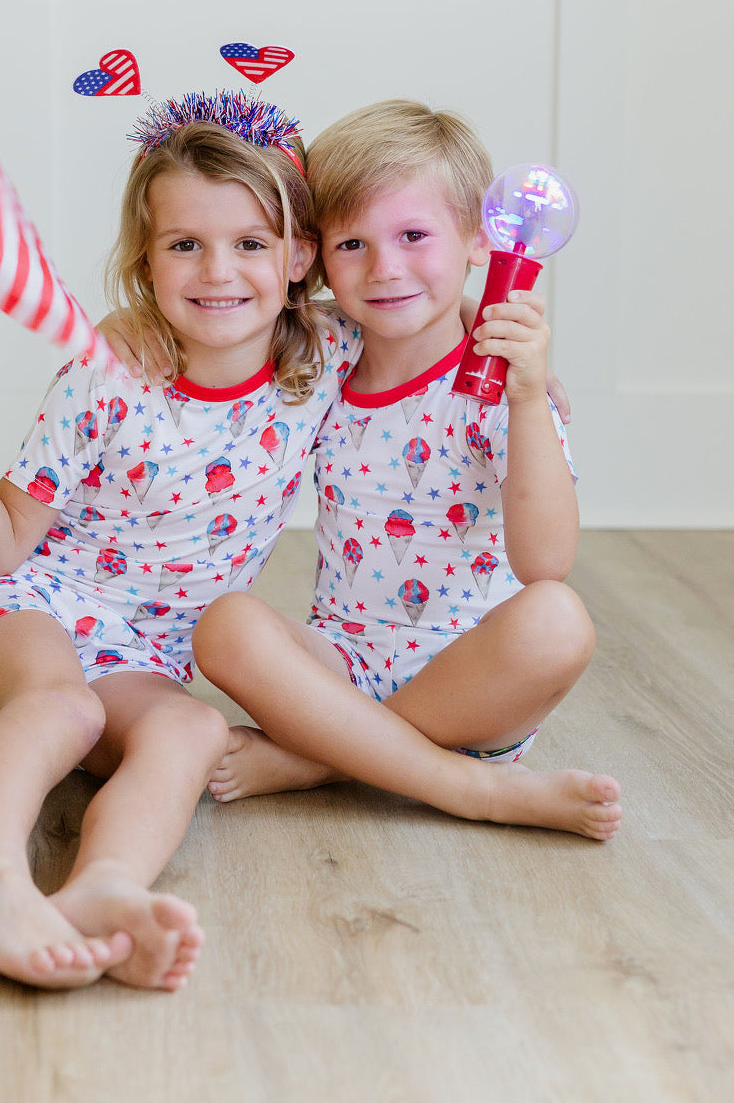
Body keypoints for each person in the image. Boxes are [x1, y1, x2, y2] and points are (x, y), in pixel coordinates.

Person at [0, 93, 351, 991]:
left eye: (251, 243)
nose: (217, 270)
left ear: (301, 258)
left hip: (144, 650)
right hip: (22, 605)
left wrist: (506, 352)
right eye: (185, 243)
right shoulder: (110, 375)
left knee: (189, 727)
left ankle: (102, 887)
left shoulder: (325, 358)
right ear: (147, 261)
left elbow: (415, 307)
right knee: (61, 709)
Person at [193, 99, 623, 842]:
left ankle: (325, 760)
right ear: (316, 254)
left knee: (558, 621)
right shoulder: (320, 348)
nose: (385, 268)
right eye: (352, 243)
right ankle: (454, 781)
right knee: (225, 625)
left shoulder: (501, 379)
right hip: (341, 666)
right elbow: (211, 325)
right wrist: (121, 322)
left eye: (414, 235)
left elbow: (546, 561)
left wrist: (524, 403)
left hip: (476, 682)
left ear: (480, 241)